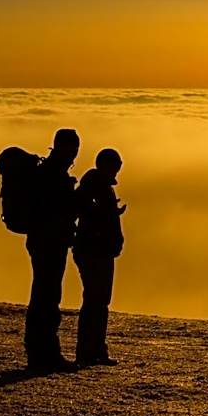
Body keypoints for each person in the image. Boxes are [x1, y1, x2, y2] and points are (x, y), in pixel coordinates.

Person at [25, 128, 80, 372]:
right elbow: (56, 210)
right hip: (49, 242)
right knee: (46, 297)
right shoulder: (53, 174)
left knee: (44, 294)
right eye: (71, 148)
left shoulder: (50, 172)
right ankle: (44, 353)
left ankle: (41, 352)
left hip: (46, 240)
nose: (74, 154)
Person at [73, 148, 126, 367]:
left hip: (100, 250)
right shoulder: (94, 185)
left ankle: (95, 348)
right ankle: (89, 350)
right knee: (95, 300)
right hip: (94, 251)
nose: (118, 170)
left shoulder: (100, 186)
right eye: (116, 166)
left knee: (99, 300)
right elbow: (87, 213)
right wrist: (109, 215)